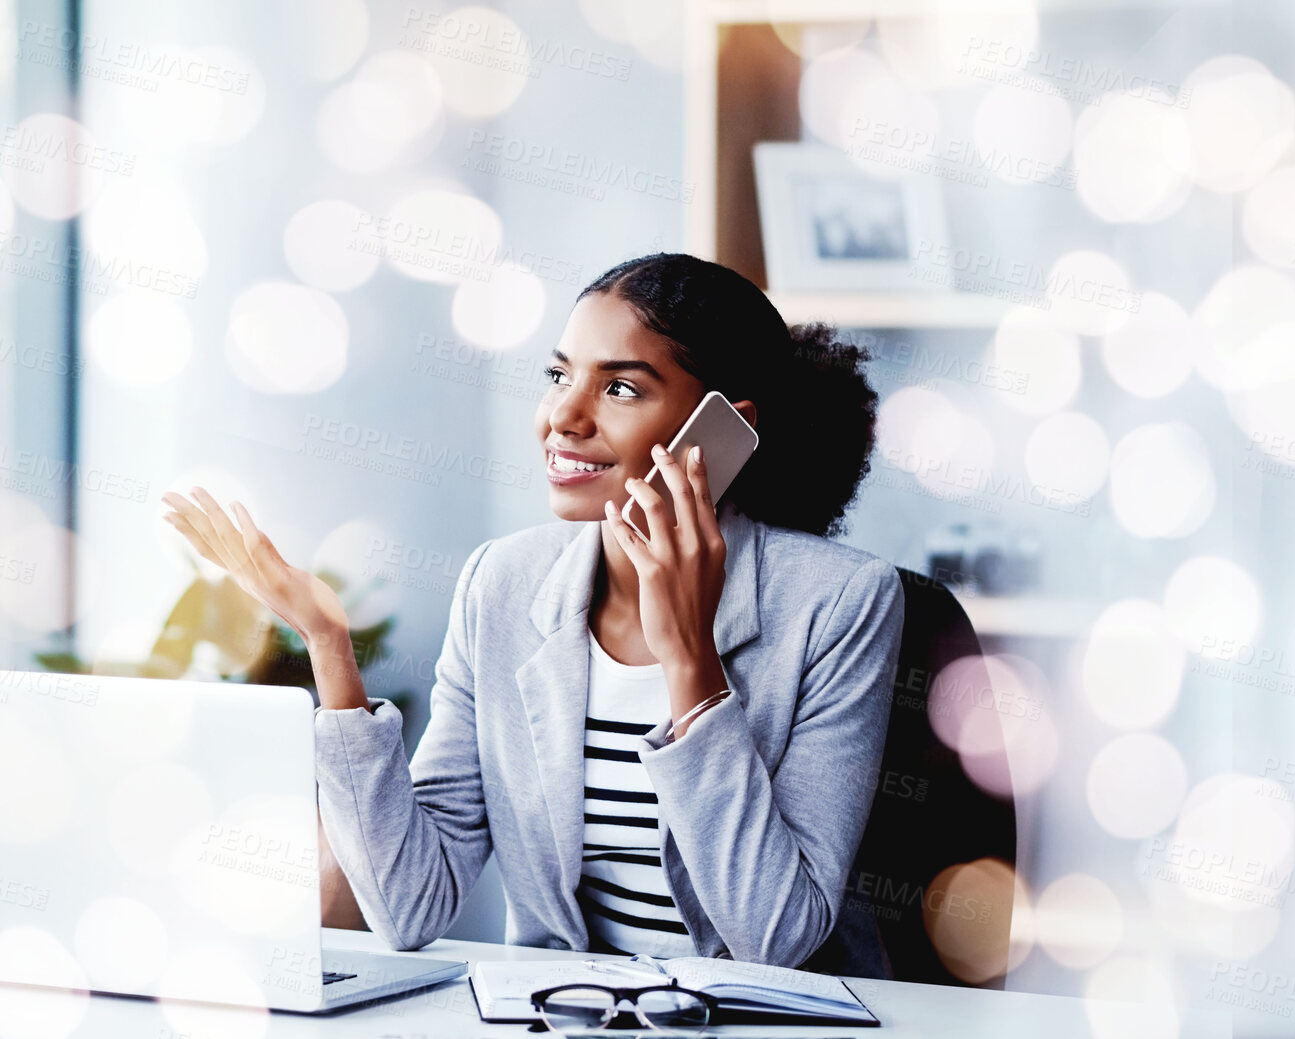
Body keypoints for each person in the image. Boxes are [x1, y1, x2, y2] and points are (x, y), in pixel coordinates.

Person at [161, 253, 907, 975]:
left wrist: (690, 661)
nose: (563, 417)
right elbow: (408, 904)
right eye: (559, 376)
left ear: (722, 433)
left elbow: (775, 937)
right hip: (564, 1014)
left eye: (619, 389)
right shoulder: (504, 583)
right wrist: (328, 644)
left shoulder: (840, 604)